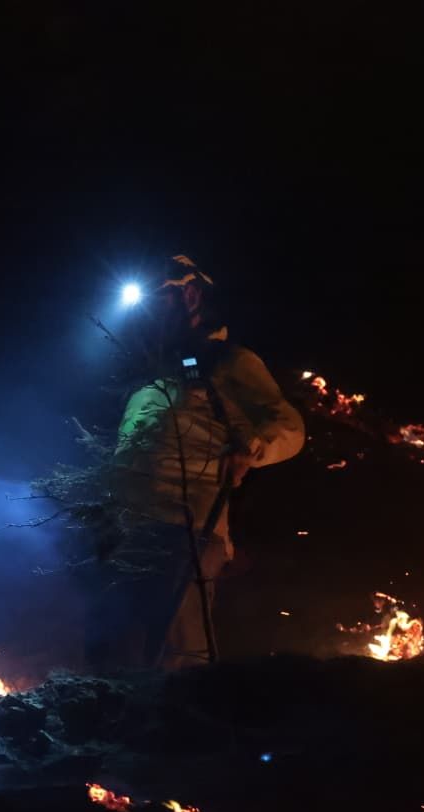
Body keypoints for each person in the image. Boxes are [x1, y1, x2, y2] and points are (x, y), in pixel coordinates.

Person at [85, 255, 304, 670]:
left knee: (178, 652)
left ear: (191, 295)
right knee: (110, 647)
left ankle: (187, 727)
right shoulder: (154, 377)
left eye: (159, 299)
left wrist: (255, 449)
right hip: (131, 529)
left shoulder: (230, 362)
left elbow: (289, 426)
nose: (148, 313)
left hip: (188, 528)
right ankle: (116, 729)